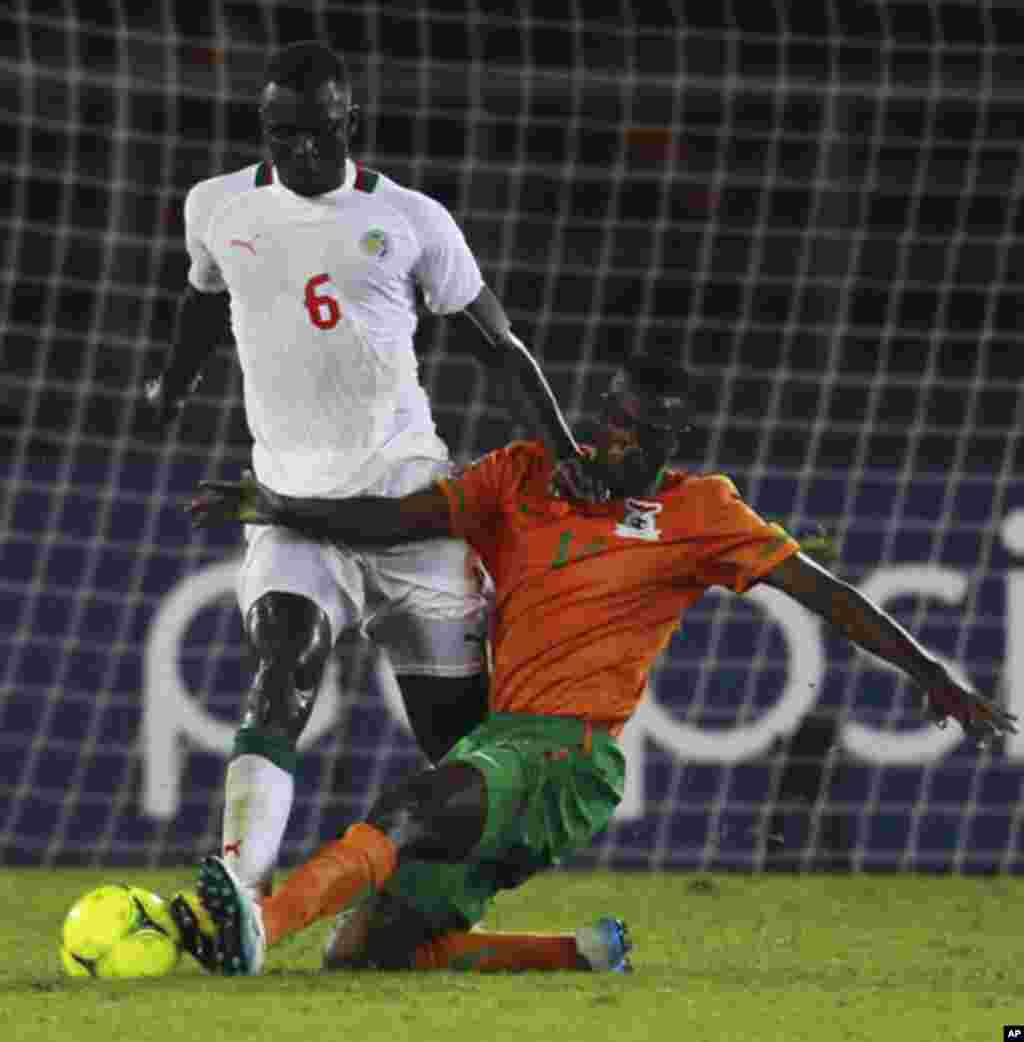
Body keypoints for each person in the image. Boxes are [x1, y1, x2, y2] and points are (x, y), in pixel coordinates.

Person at [184, 352, 1016, 976]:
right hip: (504, 742)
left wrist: (930, 672)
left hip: (570, 755)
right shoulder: (524, 475)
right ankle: (574, 953)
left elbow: (824, 592)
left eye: (641, 430)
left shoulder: (702, 509)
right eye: (610, 420)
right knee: (364, 953)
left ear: (671, 439)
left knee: (417, 803)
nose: (617, 440)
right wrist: (279, 506)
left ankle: (257, 924)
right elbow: (400, 518)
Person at [144, 39, 606, 922]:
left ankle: (438, 905)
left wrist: (566, 449)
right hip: (291, 511)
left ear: (350, 122)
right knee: (287, 658)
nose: (301, 152)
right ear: (263, 127)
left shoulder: (412, 220)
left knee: (460, 748)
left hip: (411, 513)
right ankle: (241, 885)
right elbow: (207, 296)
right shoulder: (217, 206)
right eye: (283, 134)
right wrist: (175, 380)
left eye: (317, 133)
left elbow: (497, 344)